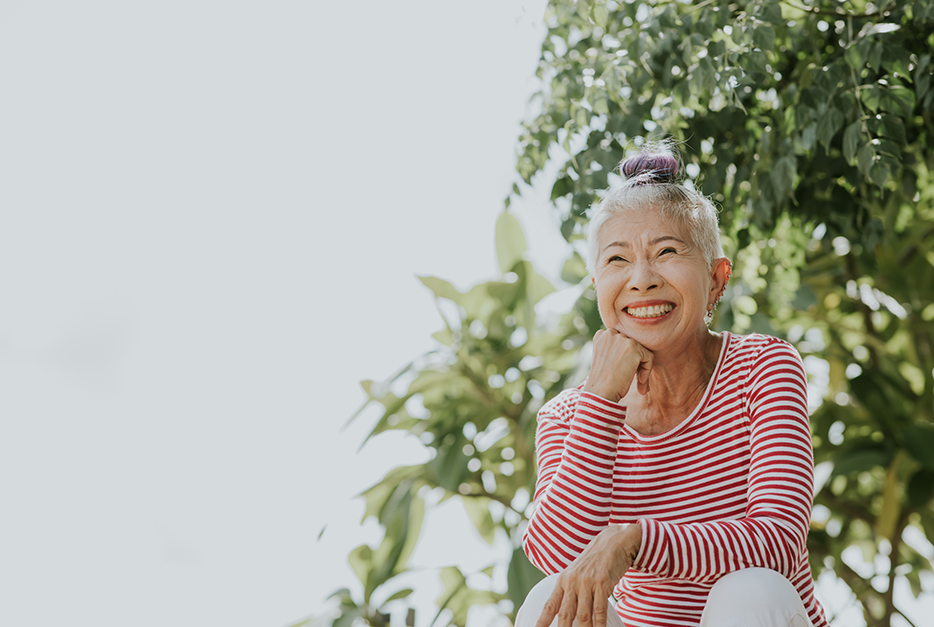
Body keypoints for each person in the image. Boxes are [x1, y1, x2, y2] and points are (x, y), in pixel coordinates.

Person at [515, 145, 828, 627]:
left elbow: (779, 541)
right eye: (618, 261)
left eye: (666, 252)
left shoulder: (763, 367)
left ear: (716, 278)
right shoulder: (566, 416)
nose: (641, 280)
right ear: (597, 285)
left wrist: (635, 537)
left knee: (749, 591)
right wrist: (599, 401)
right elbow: (557, 553)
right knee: (549, 601)